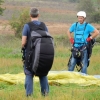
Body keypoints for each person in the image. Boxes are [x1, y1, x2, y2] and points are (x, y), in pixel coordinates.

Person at [21, 7, 54, 97]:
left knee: (29, 73)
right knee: (43, 73)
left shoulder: (27, 26)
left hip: (30, 55)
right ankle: (45, 95)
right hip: (42, 54)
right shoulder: (44, 25)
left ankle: (29, 96)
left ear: (30, 15)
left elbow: (23, 42)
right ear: (38, 15)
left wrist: (23, 48)